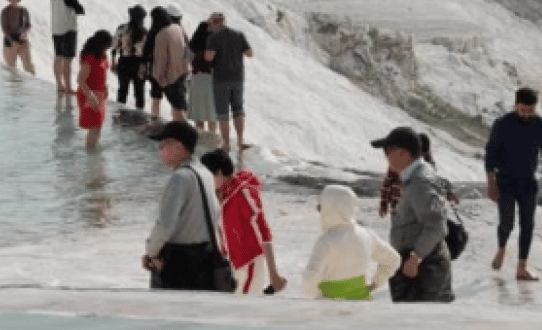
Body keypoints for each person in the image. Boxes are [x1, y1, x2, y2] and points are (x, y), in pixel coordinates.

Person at [485, 87, 542, 281]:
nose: (527, 113)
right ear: (515, 105)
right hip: (505, 180)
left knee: (528, 225)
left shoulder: (541, 125)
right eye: (523, 109)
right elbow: (490, 154)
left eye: (531, 109)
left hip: (528, 181)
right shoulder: (502, 124)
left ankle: (522, 266)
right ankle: (502, 248)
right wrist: (491, 183)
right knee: (507, 222)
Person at [373, 126, 454, 303]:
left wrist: (416, 258)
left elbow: (436, 225)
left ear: (403, 153)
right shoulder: (414, 176)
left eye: (388, 152)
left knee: (421, 323)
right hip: (418, 264)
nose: (386, 158)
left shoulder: (419, 182)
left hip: (424, 268)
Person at [143, 120, 226, 291]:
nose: (159, 149)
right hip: (205, 258)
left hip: (180, 264)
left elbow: (165, 225)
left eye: (164, 144)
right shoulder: (205, 173)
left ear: (179, 147)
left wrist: (151, 253)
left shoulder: (179, 178)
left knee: (169, 314)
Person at [201, 148, 287, 295]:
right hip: (232, 267)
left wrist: (273, 275)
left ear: (220, 173)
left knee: (244, 311)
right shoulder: (221, 194)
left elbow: (264, 232)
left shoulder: (242, 195)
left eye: (206, 176)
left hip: (250, 265)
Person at [300, 184, 400, 301]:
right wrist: (376, 284)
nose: (320, 212)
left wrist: (313, 294)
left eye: (321, 208)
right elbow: (393, 259)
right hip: (361, 302)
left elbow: (310, 278)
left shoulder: (326, 241)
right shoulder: (367, 235)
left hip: (329, 305)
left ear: (330, 208)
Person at [204, 12, 254, 151]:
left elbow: (208, 58)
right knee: (238, 110)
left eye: (211, 24)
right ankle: (240, 141)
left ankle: (226, 144)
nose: (210, 27)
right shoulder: (239, 34)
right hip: (237, 78)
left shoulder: (213, 38)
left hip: (220, 79)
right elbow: (250, 54)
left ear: (215, 23)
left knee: (223, 113)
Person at [380, 133, 458, 217]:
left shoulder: (428, 161)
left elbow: (434, 181)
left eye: (424, 152)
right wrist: (384, 204)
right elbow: (388, 182)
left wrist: (448, 193)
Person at [152, 4, 191, 123]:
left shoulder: (162, 34)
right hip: (184, 72)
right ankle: (179, 130)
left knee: (178, 108)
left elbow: (161, 59)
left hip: (171, 77)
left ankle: (183, 133)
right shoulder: (179, 29)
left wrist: (160, 78)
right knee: (179, 106)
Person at [49, 0, 85, 93]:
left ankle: (59, 85)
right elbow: (80, 9)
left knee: (58, 57)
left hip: (55, 29)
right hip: (68, 29)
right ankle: (69, 87)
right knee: (68, 60)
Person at [76, 30, 113, 150]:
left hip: (99, 94)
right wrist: (91, 97)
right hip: (89, 94)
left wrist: (106, 87)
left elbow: (102, 74)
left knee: (98, 126)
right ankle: (90, 153)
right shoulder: (90, 58)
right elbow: (81, 80)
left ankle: (94, 150)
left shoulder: (103, 56)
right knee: (94, 126)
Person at [111, 5, 147, 110]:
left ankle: (119, 116)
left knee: (122, 91)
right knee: (139, 93)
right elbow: (148, 52)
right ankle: (140, 120)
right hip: (139, 64)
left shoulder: (122, 29)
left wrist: (113, 62)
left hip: (124, 63)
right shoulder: (145, 32)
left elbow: (114, 47)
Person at [187, 20, 217, 132]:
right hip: (211, 81)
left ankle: (200, 140)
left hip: (196, 81)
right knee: (212, 116)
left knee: (199, 115)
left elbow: (188, 61)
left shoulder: (192, 44)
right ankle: (212, 139)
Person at [0, 0, 35, 74]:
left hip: (22, 41)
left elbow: (28, 25)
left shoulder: (24, 10)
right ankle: (12, 86)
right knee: (11, 68)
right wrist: (12, 41)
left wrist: (23, 34)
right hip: (10, 42)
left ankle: (32, 86)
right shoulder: (5, 11)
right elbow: (4, 28)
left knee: (29, 66)